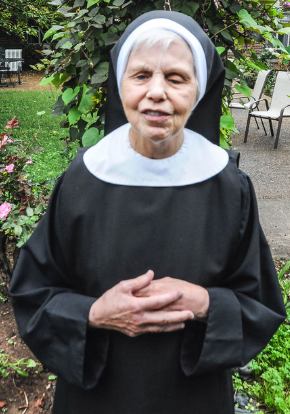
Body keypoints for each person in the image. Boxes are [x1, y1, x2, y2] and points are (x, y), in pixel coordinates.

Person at [9, 10, 286, 414]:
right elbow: (33, 293)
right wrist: (94, 312)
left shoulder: (229, 187)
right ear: (121, 85)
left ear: (200, 89)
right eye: (141, 75)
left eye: (176, 78)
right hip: (97, 396)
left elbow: (260, 304)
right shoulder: (83, 177)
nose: (157, 92)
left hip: (195, 397)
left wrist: (206, 303)